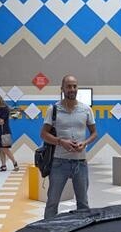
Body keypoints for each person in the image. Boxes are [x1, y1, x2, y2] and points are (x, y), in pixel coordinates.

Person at [40, 75, 97, 219]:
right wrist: (61, 142)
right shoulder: (53, 109)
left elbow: (94, 133)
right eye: (69, 86)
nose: (72, 89)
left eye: (74, 86)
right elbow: (44, 134)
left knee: (83, 204)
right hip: (59, 162)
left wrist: (85, 142)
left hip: (80, 162)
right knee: (52, 202)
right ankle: (46, 231)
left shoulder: (86, 109)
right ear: (62, 89)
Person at [0, 94, 19, 171]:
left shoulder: (5, 109)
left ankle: (15, 162)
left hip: (5, 130)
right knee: (0, 148)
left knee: (5, 148)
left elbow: (1, 121)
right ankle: (3, 165)